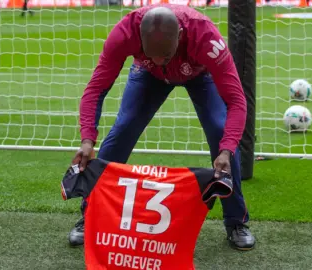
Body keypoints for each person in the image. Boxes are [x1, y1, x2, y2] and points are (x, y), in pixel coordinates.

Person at [70, 4, 256, 251]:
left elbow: (236, 100)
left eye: (164, 55)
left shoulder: (206, 37)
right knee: (123, 129)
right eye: (152, 53)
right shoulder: (124, 33)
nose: (159, 59)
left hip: (199, 74)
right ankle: (91, 213)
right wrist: (87, 139)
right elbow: (96, 88)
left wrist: (227, 149)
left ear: (180, 35)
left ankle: (235, 222)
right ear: (140, 39)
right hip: (149, 75)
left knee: (220, 131)